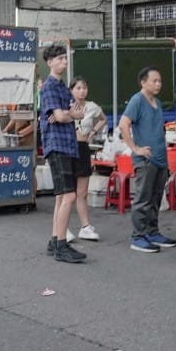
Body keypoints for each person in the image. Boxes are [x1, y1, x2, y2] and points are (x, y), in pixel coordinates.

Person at [120, 66, 176, 253]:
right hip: (145, 160)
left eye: (160, 81)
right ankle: (138, 236)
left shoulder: (157, 102)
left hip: (160, 158)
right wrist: (135, 148)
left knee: (155, 198)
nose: (158, 84)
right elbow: (123, 124)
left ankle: (152, 232)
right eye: (154, 80)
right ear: (143, 82)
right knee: (143, 199)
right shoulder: (137, 100)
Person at [39, 44, 87, 263]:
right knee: (69, 195)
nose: (64, 62)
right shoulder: (49, 87)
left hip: (67, 144)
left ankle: (54, 240)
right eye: (59, 59)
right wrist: (68, 115)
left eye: (65, 59)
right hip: (56, 144)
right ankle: (61, 245)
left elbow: (77, 112)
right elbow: (60, 116)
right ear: (49, 62)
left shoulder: (63, 88)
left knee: (61, 196)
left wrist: (67, 114)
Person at [69, 76, 105, 243]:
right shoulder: (66, 105)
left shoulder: (92, 107)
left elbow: (103, 119)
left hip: (83, 147)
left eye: (84, 88)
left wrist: (93, 132)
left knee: (82, 192)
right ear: (71, 90)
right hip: (68, 148)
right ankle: (64, 228)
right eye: (78, 88)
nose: (82, 91)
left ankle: (85, 227)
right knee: (67, 192)